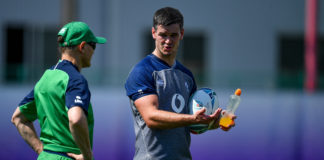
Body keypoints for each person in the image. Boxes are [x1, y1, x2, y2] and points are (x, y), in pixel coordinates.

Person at [125, 7, 236, 160]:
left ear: (181, 34)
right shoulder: (142, 71)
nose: (168, 41)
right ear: (153, 33)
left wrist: (217, 121)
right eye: (163, 35)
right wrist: (192, 119)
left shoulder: (187, 76)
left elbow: (193, 124)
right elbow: (151, 117)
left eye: (173, 35)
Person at [11, 21, 106, 160]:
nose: (94, 51)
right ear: (83, 47)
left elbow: (18, 118)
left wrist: (41, 150)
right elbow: (76, 119)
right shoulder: (75, 79)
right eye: (94, 45)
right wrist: (87, 155)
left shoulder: (46, 78)